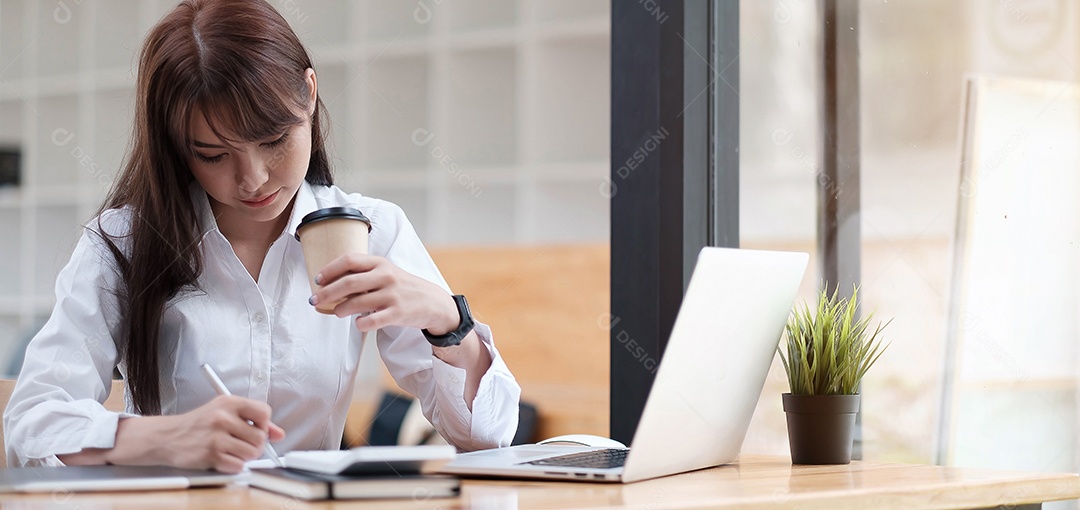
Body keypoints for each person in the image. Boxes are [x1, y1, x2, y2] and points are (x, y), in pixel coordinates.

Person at [3, 0, 520, 472]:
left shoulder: (374, 230)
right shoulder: (124, 242)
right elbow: (32, 423)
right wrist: (163, 438)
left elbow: (489, 437)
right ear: (176, 145)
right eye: (212, 154)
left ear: (310, 95)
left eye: (274, 140)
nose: (252, 179)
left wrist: (447, 320)